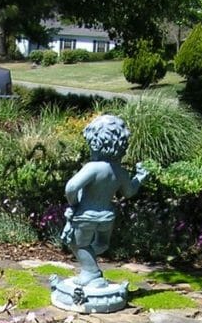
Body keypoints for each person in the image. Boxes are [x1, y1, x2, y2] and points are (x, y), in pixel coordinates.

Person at [61, 114, 148, 286]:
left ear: (94, 144)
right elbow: (129, 192)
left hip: (86, 216)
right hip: (107, 217)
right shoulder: (120, 171)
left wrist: (74, 204)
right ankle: (91, 265)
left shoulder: (92, 168)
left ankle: (91, 273)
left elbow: (71, 188)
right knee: (100, 244)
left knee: (78, 245)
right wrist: (139, 177)